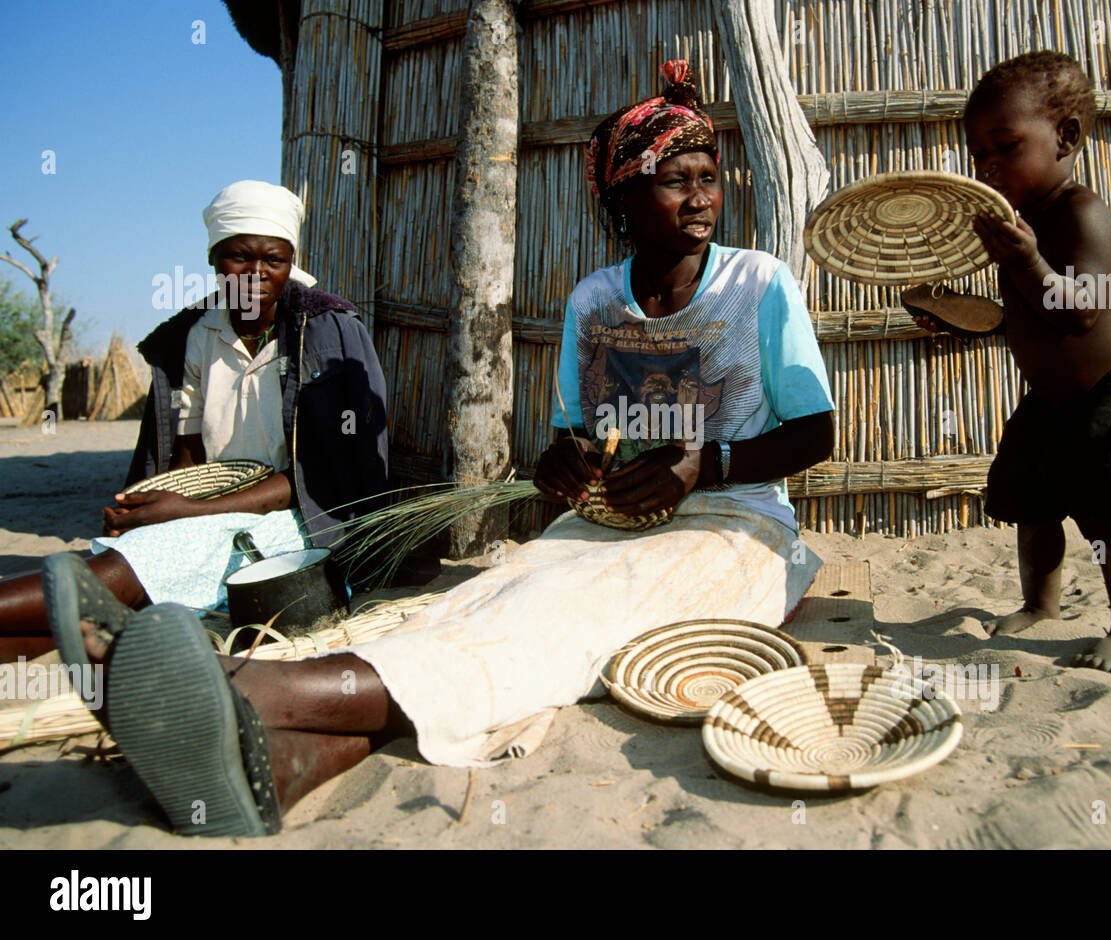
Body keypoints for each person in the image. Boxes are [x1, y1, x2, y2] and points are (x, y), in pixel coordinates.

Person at [40, 61, 836, 837]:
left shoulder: (759, 285)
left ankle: (256, 691)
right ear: (623, 197)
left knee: (572, 622)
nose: (702, 198)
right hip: (611, 521)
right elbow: (575, 436)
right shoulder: (595, 301)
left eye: (709, 176)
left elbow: (817, 434)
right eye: (677, 179)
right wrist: (561, 465)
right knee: (487, 600)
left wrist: (712, 467)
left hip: (735, 523)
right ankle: (283, 769)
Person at [0, 180, 392, 645]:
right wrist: (158, 503)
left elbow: (321, 478)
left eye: (274, 260)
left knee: (137, 565)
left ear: (292, 264)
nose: (256, 273)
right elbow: (187, 456)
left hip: (304, 517)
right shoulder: (196, 336)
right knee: (135, 559)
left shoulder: (326, 336)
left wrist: (188, 513)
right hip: (218, 506)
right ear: (212, 259)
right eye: (239, 257)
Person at [903, 52, 1111, 675]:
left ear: (1066, 137)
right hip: (1052, 400)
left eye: (1005, 145)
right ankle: (1040, 603)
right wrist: (956, 313)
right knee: (1031, 503)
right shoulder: (1020, 225)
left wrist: (1030, 263)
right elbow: (1021, 317)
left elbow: (1082, 311)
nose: (988, 164)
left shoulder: (1077, 212)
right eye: (978, 151)